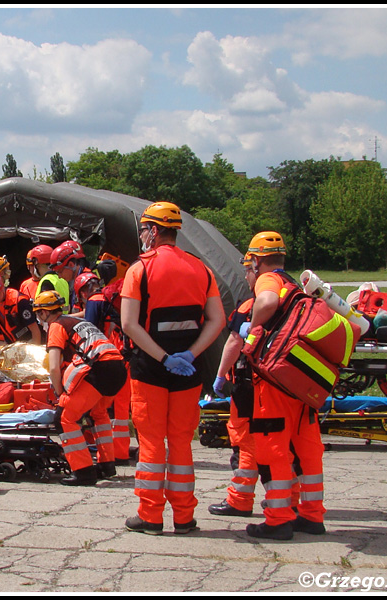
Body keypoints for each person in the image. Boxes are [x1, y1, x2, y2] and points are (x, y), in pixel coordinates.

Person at [120, 201, 226, 535]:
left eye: (144, 230)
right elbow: (217, 320)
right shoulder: (201, 269)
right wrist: (191, 355)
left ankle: (150, 516)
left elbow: (129, 324)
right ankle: (184, 517)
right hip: (188, 372)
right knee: (180, 441)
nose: (142, 236)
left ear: (153, 230)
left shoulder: (140, 270)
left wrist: (163, 358)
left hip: (150, 369)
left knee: (151, 442)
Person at [242, 231, 327, 540]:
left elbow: (264, 302)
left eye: (247, 265)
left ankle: (278, 519)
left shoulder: (269, 280)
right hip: (301, 379)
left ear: (255, 260)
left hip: (275, 381)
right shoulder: (294, 283)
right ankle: (312, 515)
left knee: (272, 447)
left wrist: (252, 327)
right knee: (307, 447)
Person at [33, 290, 127, 486]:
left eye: (38, 314)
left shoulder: (57, 326)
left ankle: (83, 471)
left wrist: (60, 394)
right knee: (98, 414)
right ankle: (106, 466)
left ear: (43, 313)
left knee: (65, 418)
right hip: (117, 368)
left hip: (98, 369)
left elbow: (53, 366)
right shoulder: (81, 324)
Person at [207, 252, 260, 518]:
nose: (247, 276)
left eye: (248, 271)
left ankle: (240, 500)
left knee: (245, 442)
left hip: (250, 386)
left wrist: (220, 375)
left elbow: (234, 343)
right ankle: (292, 503)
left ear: (256, 268)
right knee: (284, 444)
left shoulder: (249, 307)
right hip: (286, 390)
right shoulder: (297, 302)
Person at [77, 270, 132, 465]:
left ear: (82, 293)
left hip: (107, 359)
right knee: (121, 410)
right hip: (126, 357)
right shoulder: (110, 300)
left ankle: (107, 455)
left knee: (101, 410)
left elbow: (91, 333)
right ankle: (121, 453)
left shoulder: (94, 301)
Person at [0, 270, 41, 347]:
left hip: (30, 341)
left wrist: (35, 353)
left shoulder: (19, 301)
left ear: (2, 286)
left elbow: (35, 330)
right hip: (12, 345)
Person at [36, 245, 72, 314]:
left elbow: (46, 309)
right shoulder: (63, 279)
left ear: (38, 265)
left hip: (52, 321)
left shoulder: (46, 281)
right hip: (65, 319)